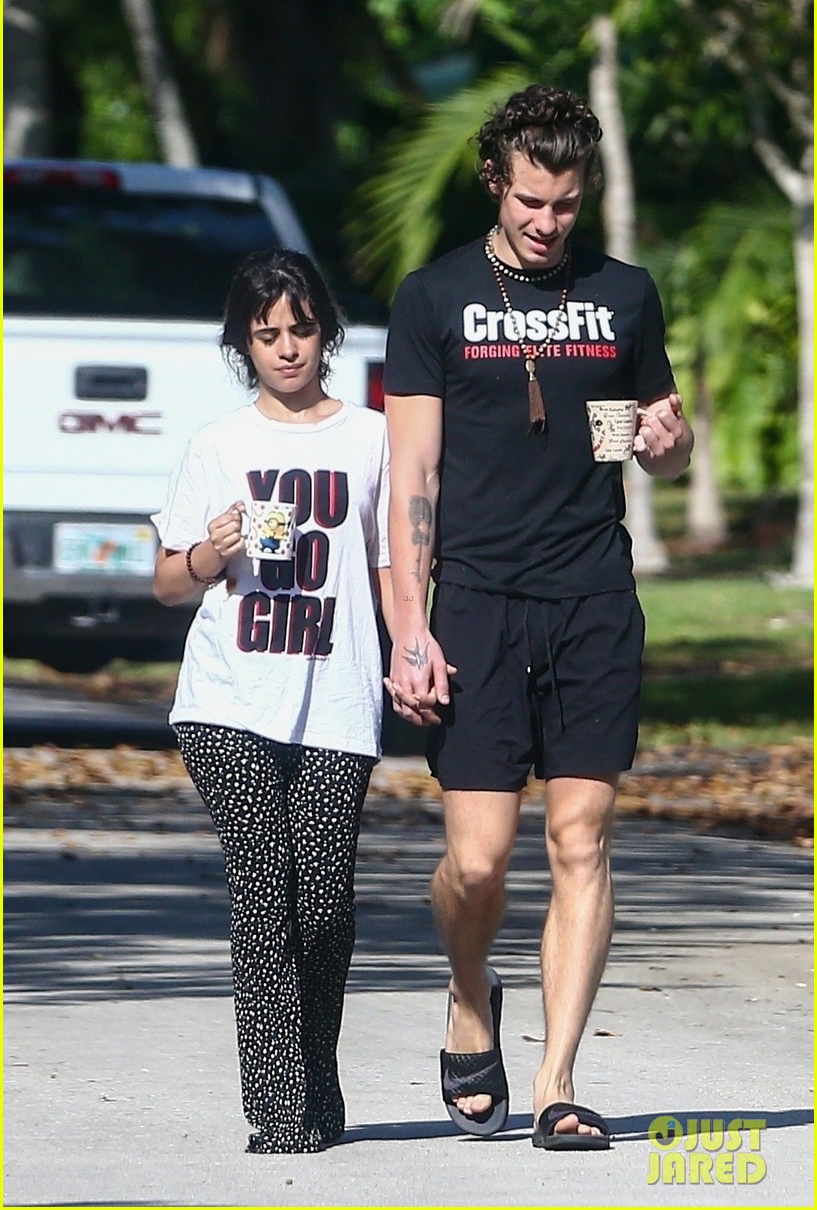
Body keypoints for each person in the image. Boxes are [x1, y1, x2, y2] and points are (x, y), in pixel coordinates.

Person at [383, 85, 693, 1150]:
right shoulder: (432, 299)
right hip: (473, 599)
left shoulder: (625, 295)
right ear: (493, 183)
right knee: (478, 861)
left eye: (563, 203)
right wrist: (409, 627)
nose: (546, 222)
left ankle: (559, 1080)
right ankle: (471, 997)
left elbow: (662, 427)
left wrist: (669, 443)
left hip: (593, 597)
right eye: (528, 201)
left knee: (579, 837)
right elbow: (411, 473)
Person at [152, 248, 391, 1154]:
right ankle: (279, 1112)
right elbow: (170, 585)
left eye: (299, 329)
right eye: (266, 335)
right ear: (242, 345)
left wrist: (414, 641)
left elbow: (393, 562)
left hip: (335, 697)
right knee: (264, 888)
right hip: (226, 701)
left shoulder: (370, 439)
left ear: (325, 331)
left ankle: (316, 1087)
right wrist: (212, 550)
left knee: (323, 905)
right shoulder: (219, 446)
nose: (286, 348)